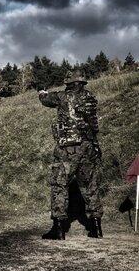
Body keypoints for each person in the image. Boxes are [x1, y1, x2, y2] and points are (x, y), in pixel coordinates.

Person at [38, 69, 103, 240]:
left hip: (67, 149)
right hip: (88, 146)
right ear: (82, 82)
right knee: (90, 186)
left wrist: (41, 91)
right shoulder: (90, 97)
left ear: (68, 82)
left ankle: (58, 228)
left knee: (59, 185)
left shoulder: (62, 97)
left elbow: (45, 100)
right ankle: (96, 227)